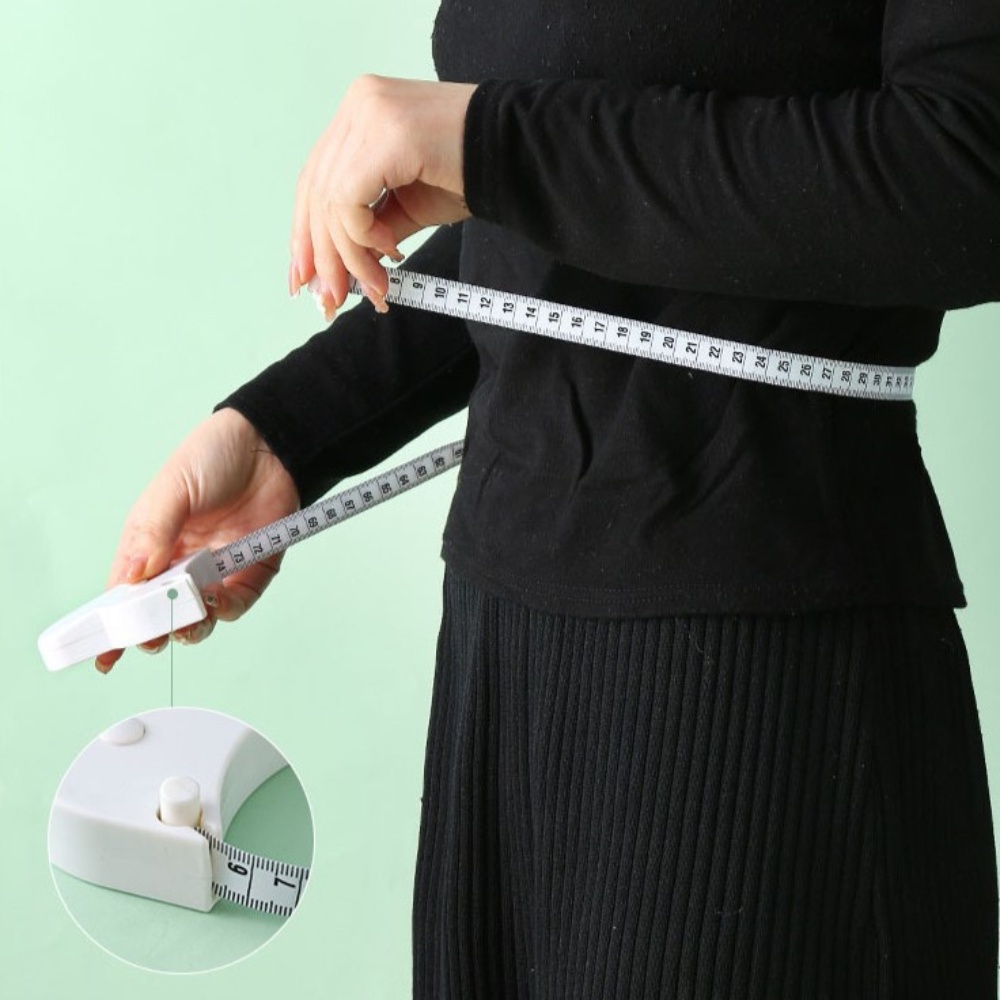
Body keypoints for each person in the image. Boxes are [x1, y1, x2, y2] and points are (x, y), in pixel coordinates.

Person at [99, 0, 1000, 996]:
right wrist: (288, 431)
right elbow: (557, 244)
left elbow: (967, 173)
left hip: (774, 672)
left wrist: (493, 141)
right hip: (503, 646)